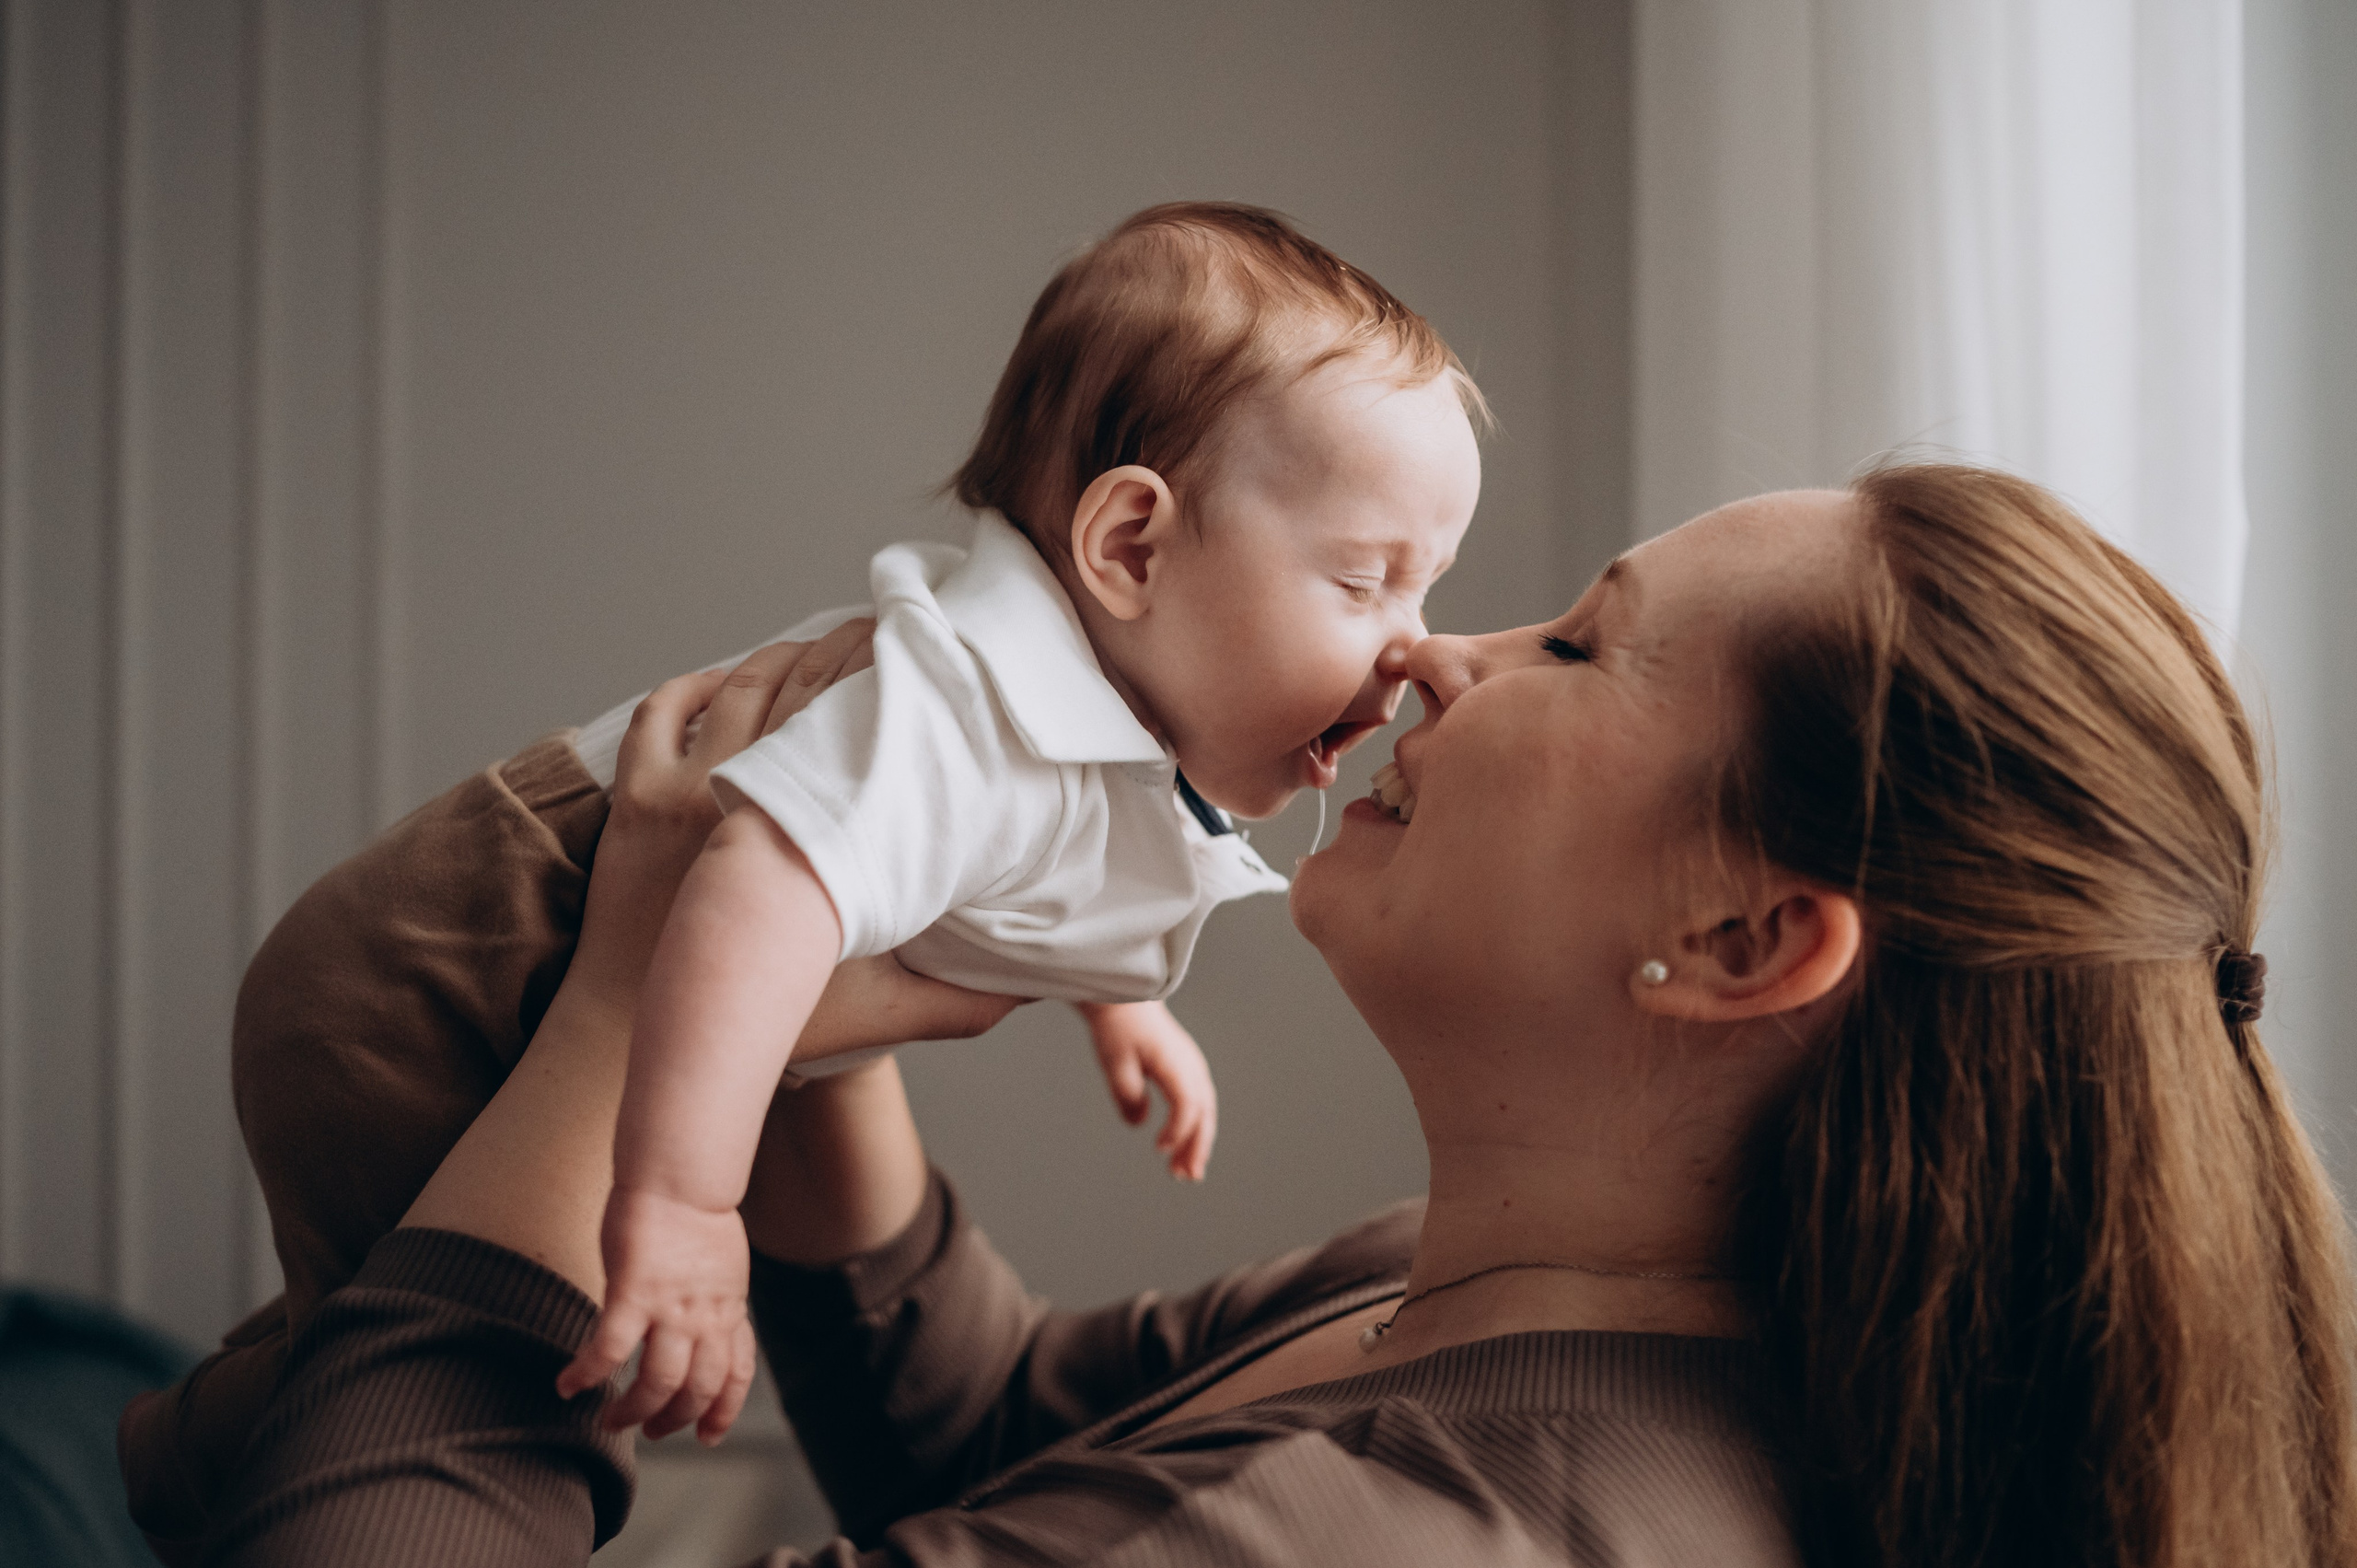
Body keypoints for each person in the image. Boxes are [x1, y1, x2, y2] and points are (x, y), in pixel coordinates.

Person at [199, 461, 2354, 1568]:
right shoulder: (1527, 1290)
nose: (1439, 656)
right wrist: (823, 1001)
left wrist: (621, 1007)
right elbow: (987, 1441)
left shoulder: (1435, 1538)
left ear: (1737, 947)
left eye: (1581, 650)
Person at [120, 201, 1487, 1551]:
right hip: (454, 959)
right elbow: (759, 888)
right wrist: (686, 1205)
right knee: (535, 1364)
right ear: (1129, 547)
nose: (1413, 652)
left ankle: (183, 1455)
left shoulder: (1097, 731)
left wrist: (1113, 1001)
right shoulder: (959, 711)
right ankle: (195, 1462)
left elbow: (1046, 871)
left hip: (522, 970)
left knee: (373, 1325)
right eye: (1369, 582)